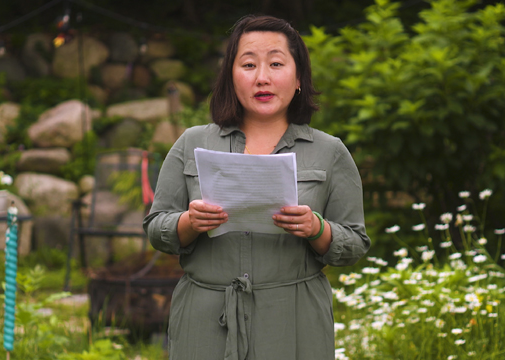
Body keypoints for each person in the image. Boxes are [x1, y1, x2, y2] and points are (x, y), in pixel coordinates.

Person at [143, 15, 370, 360]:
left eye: (276, 63)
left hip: (293, 318)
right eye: (248, 64)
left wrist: (316, 228)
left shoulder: (329, 151)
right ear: (231, 77)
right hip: (205, 319)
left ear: (298, 78)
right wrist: (189, 222)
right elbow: (156, 228)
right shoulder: (193, 143)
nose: (262, 77)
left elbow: (354, 243)